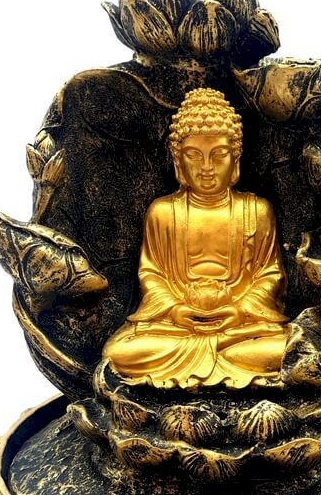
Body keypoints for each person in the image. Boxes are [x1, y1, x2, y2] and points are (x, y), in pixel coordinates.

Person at [102, 88, 290, 388]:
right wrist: (175, 310)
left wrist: (239, 310)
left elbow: (269, 275)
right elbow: (152, 275)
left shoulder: (256, 211)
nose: (206, 168)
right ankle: (222, 363)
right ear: (178, 161)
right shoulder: (163, 212)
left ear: (236, 159)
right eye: (193, 155)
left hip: (240, 327)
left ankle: (207, 363)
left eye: (219, 155)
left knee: (284, 350)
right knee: (118, 353)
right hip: (176, 327)